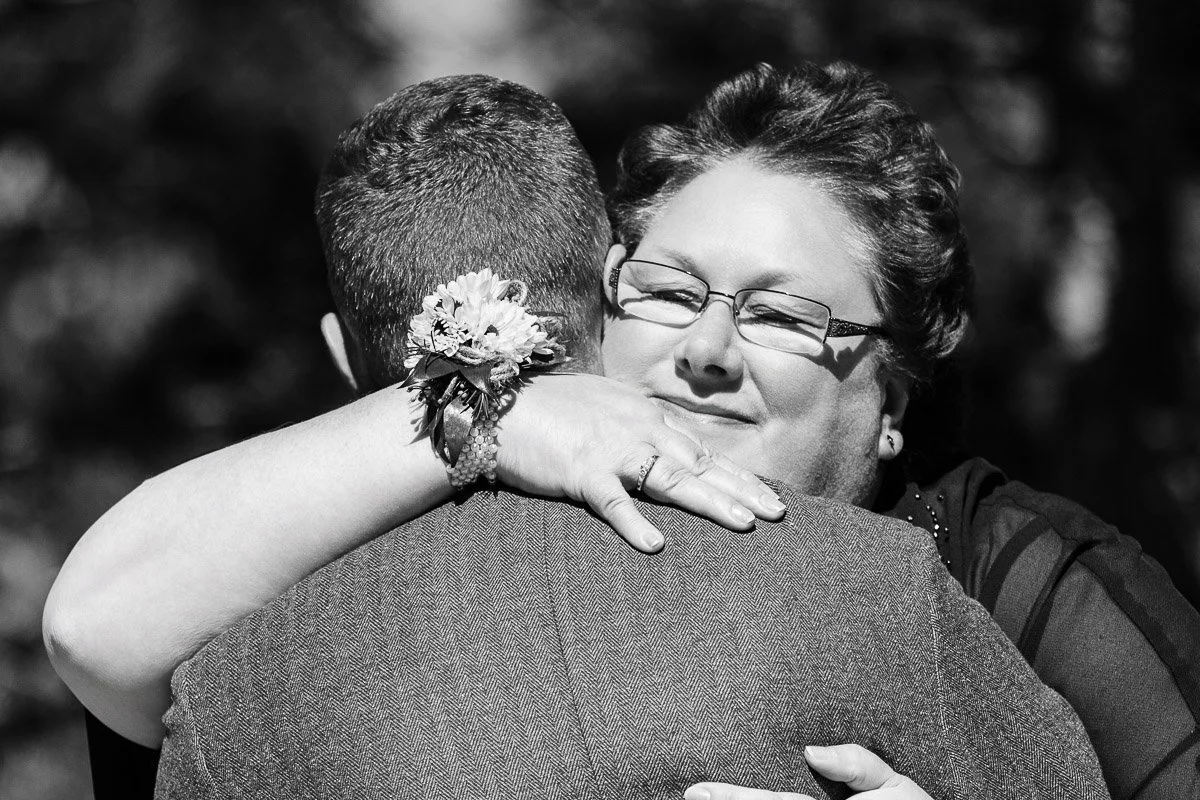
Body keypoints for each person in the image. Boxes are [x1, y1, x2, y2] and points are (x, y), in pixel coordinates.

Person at [43, 60, 1200, 797]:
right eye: (666, 290)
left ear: (893, 397)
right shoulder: (380, 565)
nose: (704, 348)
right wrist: (487, 411)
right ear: (593, 309)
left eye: (784, 315)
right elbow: (101, 621)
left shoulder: (1011, 577)